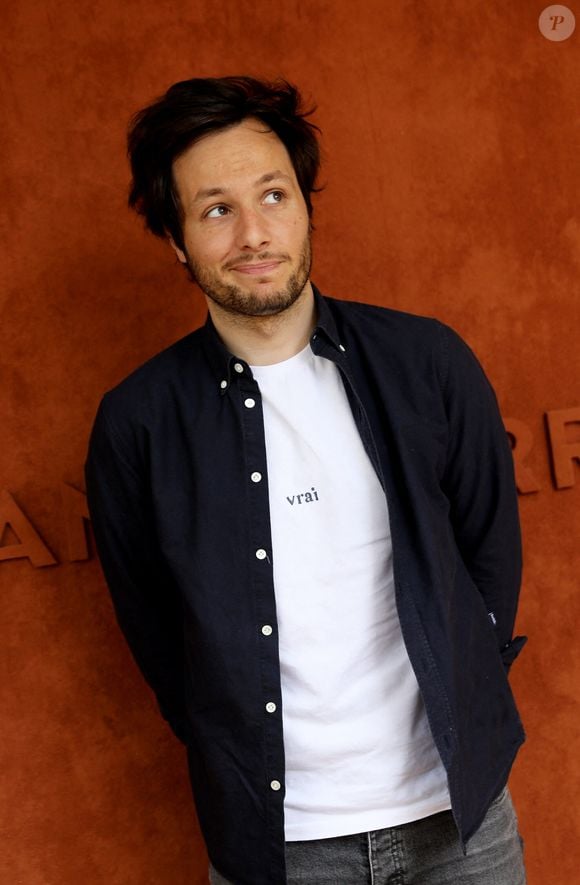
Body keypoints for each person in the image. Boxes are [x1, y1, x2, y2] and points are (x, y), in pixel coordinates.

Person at [85, 77, 528, 885]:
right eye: (216, 209)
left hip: (461, 823)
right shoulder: (138, 423)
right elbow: (155, 630)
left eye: (273, 194)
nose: (254, 232)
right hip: (279, 847)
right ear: (177, 241)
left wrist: (468, 685)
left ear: (306, 205)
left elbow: (489, 550)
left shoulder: (427, 362)